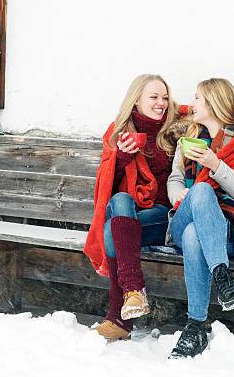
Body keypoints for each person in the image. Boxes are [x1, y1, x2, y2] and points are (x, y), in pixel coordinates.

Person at [166, 78, 234, 358]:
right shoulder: (189, 139)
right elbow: (175, 179)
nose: (192, 102)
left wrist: (216, 165)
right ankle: (223, 278)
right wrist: (179, 196)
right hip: (184, 215)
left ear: (213, 103)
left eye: (198, 97)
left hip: (231, 231)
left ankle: (195, 326)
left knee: (193, 235)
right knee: (198, 191)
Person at [83, 74, 178, 341]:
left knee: (112, 228)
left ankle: (118, 317)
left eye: (165, 98)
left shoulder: (175, 130)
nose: (161, 103)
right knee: (120, 201)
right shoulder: (118, 132)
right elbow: (105, 188)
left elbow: (210, 108)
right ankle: (133, 290)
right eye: (154, 97)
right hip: (130, 216)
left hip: (163, 217)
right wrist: (122, 156)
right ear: (136, 99)